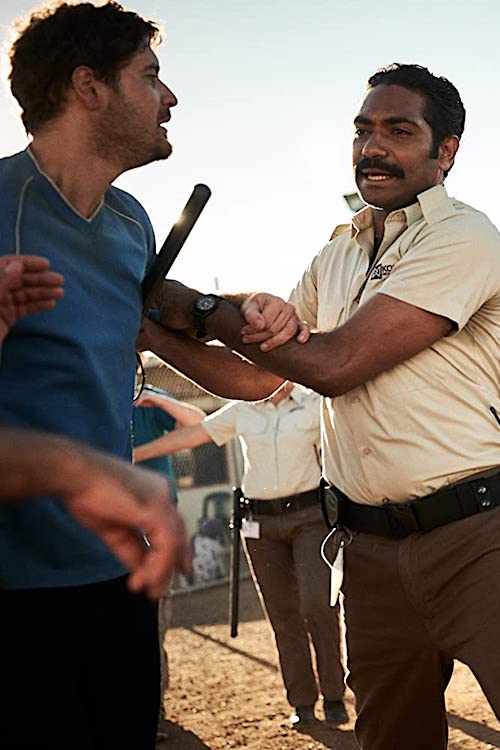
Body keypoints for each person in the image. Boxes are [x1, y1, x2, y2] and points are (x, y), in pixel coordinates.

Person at [138, 63, 500, 749]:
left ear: (445, 151)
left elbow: (335, 364)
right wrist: (154, 334)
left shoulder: (464, 237)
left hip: (476, 537)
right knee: (391, 737)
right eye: (362, 131)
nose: (372, 147)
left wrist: (203, 309)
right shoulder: (334, 256)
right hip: (367, 549)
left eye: (398, 131)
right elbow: (258, 380)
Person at [0, 3, 190, 745]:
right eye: (150, 76)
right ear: (89, 87)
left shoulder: (133, 222)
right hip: (14, 591)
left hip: (118, 577)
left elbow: (162, 319)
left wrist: (242, 311)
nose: (169, 97)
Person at [135, 381, 349, 727]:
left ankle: (334, 695)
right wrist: (132, 455)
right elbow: (195, 435)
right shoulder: (243, 408)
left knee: (317, 605)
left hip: (309, 519)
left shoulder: (313, 403)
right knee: (283, 615)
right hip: (260, 524)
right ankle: (302, 702)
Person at [131, 384, 204, 740]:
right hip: (105, 529)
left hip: (155, 532)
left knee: (153, 626)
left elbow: (199, 423)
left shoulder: (149, 398)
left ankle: (153, 713)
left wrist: (157, 399)